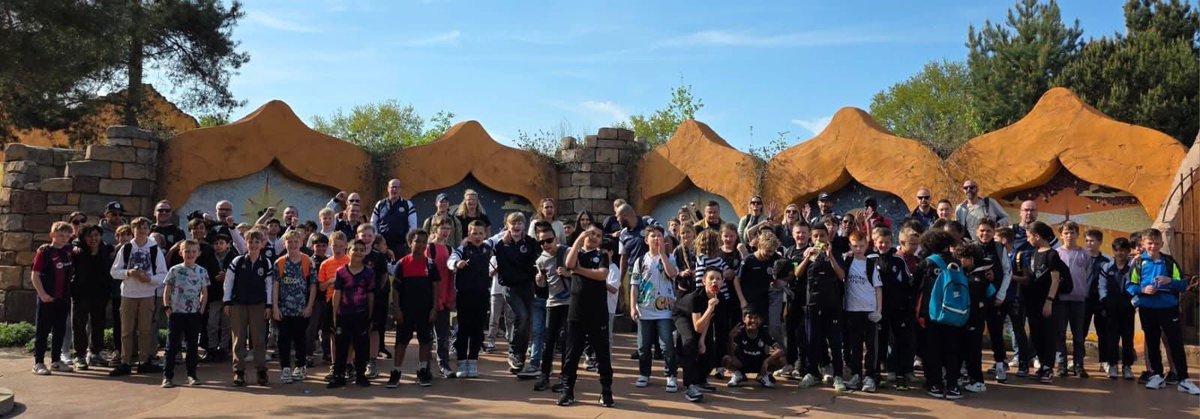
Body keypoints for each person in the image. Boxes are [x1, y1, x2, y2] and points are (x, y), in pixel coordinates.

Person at [1127, 228, 1199, 394]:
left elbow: (1182, 284)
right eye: (1150, 243)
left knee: (1175, 342)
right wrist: (1143, 290)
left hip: (1168, 307)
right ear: (1144, 244)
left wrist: (1170, 281)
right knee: (1152, 342)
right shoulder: (1138, 263)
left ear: (1161, 243)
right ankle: (1157, 375)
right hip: (1147, 308)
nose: (1153, 246)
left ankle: (1183, 378)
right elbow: (1130, 286)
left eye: (1156, 243)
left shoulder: (1169, 262)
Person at [557, 226, 614, 407]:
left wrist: (579, 271)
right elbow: (569, 264)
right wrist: (578, 240)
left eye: (598, 236)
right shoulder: (577, 253)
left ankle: (606, 392)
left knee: (602, 354)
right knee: (571, 354)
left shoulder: (602, 255)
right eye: (592, 234)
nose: (595, 238)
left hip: (598, 313)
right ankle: (567, 391)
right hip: (577, 312)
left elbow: (602, 274)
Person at [108, 217, 168, 377]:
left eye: (144, 227)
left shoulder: (154, 248)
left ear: (148, 230)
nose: (141, 230)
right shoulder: (126, 248)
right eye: (138, 228)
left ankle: (144, 361)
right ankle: (125, 361)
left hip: (147, 294)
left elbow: (163, 274)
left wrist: (150, 279)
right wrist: (128, 273)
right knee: (127, 330)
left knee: (145, 330)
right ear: (133, 230)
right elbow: (114, 272)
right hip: (128, 294)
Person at [915, 230, 965, 399]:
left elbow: (917, 288)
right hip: (954, 313)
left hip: (932, 314)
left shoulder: (927, 263)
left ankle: (935, 384)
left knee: (932, 350)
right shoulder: (957, 263)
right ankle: (952, 385)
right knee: (952, 350)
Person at [796, 223, 847, 391]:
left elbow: (842, 276)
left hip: (832, 305)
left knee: (835, 341)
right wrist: (806, 257)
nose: (819, 239)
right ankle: (811, 373)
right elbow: (797, 274)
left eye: (822, 236)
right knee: (812, 340)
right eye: (816, 236)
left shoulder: (836, 254)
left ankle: (838, 375)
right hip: (812, 305)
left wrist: (830, 256)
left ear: (828, 237)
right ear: (811, 238)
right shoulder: (807, 254)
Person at [630, 225, 679, 392]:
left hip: (664, 309)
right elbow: (634, 285)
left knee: (666, 345)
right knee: (643, 346)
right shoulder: (640, 261)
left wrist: (663, 255)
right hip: (645, 308)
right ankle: (644, 374)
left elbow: (672, 274)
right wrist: (632, 307)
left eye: (659, 236)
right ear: (646, 240)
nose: (656, 239)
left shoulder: (670, 258)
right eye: (653, 236)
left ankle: (671, 375)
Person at [387, 229, 439, 388]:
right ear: (410, 243)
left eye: (424, 242)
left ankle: (423, 371)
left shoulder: (431, 264)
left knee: (425, 341)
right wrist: (396, 309)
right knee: (401, 342)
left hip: (425, 310)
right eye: (418, 241)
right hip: (405, 310)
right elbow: (395, 289)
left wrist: (434, 309)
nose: (421, 244)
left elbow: (435, 288)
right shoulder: (402, 264)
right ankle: (396, 371)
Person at [490, 213, 540, 375]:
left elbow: (534, 262)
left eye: (519, 223)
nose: (516, 226)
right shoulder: (501, 245)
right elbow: (504, 267)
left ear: (524, 225)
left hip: (527, 286)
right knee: (522, 316)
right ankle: (514, 351)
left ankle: (520, 355)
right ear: (507, 225)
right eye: (513, 223)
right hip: (510, 287)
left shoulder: (531, 243)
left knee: (527, 319)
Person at [223, 229, 274, 387]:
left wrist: (268, 305)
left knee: (258, 339)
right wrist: (227, 301)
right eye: (250, 242)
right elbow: (228, 282)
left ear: (262, 244)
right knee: (238, 338)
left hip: (258, 304)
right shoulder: (238, 261)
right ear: (246, 243)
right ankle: (238, 372)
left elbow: (269, 286)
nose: (253, 245)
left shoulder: (266, 262)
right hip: (238, 303)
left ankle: (261, 371)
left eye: (256, 242)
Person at [871, 228, 916, 390]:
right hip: (877, 310)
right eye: (880, 242)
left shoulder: (898, 260)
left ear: (892, 243)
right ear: (875, 243)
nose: (883, 245)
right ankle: (875, 375)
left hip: (898, 309)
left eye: (887, 242)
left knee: (899, 341)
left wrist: (907, 306)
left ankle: (900, 375)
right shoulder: (871, 260)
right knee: (878, 343)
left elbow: (908, 284)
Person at [328, 239, 376, 389]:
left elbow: (370, 295)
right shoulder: (341, 272)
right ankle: (339, 375)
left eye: (362, 250)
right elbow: (337, 294)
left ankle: (360, 375)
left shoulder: (369, 273)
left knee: (361, 346)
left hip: (361, 314)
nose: (359, 252)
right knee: (341, 345)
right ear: (349, 251)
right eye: (355, 249)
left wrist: (370, 314)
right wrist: (335, 314)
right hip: (344, 314)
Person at [160, 240, 209, 388]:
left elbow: (204, 292)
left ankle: (192, 375)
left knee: (192, 346)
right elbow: (167, 289)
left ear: (198, 253)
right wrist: (166, 306)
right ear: (181, 253)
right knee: (172, 346)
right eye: (187, 251)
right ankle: (167, 376)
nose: (190, 254)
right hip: (176, 312)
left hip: (193, 313)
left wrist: (201, 308)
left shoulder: (202, 271)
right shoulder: (174, 270)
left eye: (194, 251)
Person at [841, 231, 884, 393]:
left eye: (861, 245)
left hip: (869, 310)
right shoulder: (847, 260)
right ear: (850, 245)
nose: (858, 249)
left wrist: (879, 310)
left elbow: (878, 288)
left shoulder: (871, 264)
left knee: (871, 347)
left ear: (867, 245)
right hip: (852, 310)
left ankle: (870, 377)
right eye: (855, 245)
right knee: (855, 346)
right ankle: (856, 375)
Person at [449, 221, 493, 378]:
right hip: (464, 295)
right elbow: (451, 259)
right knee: (463, 329)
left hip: (482, 295)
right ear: (469, 234)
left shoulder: (488, 248)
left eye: (481, 233)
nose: (478, 236)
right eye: (474, 233)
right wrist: (457, 263)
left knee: (477, 329)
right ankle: (461, 361)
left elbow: (501, 237)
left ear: (485, 234)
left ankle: (473, 361)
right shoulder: (463, 249)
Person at [273, 230, 318, 384]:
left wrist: (309, 306)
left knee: (300, 338)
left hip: (301, 309)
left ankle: (300, 366)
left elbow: (312, 286)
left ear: (301, 243)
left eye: (295, 241)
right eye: (289, 242)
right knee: (283, 339)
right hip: (284, 309)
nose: (292, 245)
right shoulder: (279, 263)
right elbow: (275, 286)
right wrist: (275, 308)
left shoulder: (307, 261)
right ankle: (285, 367)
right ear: (284, 243)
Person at [31, 222, 75, 376]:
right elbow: (35, 275)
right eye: (60, 235)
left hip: (63, 298)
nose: (63, 238)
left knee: (60, 330)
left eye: (66, 236)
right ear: (52, 235)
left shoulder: (69, 250)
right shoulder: (44, 252)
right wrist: (42, 294)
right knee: (42, 331)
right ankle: (38, 362)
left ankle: (56, 361)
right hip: (47, 298)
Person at [1025, 222, 1067, 384]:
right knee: (1036, 334)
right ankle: (1042, 364)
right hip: (1033, 302)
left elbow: (1055, 279)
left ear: (1037, 236)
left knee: (1048, 334)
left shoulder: (1052, 255)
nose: (1028, 239)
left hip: (1047, 302)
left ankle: (1048, 367)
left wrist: (1049, 301)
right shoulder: (1034, 253)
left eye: (1029, 236)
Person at [973, 220, 1013, 384]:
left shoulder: (999, 248)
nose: (985, 234)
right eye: (982, 230)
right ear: (977, 232)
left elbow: (1007, 271)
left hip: (995, 299)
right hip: (976, 298)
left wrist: (1001, 294)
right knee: (975, 333)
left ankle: (1000, 366)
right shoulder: (972, 248)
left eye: (989, 231)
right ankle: (973, 367)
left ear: (993, 232)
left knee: (996, 333)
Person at [674, 270, 723, 403]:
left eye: (718, 279)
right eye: (711, 278)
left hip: (701, 319)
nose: (715, 281)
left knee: (710, 347)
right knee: (690, 342)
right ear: (703, 281)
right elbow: (697, 327)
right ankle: (689, 386)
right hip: (682, 316)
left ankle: (701, 380)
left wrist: (702, 340)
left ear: (722, 282)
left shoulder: (718, 297)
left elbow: (708, 321)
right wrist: (709, 308)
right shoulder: (695, 298)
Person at [70, 225, 112, 371]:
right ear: (83, 238)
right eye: (89, 236)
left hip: (101, 293)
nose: (93, 239)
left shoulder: (106, 249)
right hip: (81, 293)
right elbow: (69, 245)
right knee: (79, 324)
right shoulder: (77, 250)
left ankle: (96, 353)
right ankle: (79, 355)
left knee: (98, 323)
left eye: (96, 235)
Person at [534, 225, 571, 392]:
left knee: (566, 340)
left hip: (570, 302)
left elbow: (580, 273)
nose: (546, 244)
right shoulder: (541, 260)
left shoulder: (567, 252)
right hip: (553, 302)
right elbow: (542, 286)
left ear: (556, 238)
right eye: (542, 242)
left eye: (549, 240)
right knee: (549, 341)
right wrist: (539, 280)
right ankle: (544, 374)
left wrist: (567, 273)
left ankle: (565, 376)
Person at [957, 242, 997, 394]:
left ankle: (978, 381)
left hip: (974, 319)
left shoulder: (976, 278)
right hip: (973, 319)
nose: (960, 261)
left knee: (973, 351)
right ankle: (969, 377)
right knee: (968, 350)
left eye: (963, 258)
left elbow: (976, 300)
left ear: (971, 259)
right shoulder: (976, 273)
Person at [774, 222, 810, 380]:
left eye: (803, 232)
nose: (800, 235)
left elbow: (798, 273)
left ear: (808, 234)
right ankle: (789, 363)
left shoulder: (811, 251)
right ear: (793, 234)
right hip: (790, 298)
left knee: (802, 333)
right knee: (789, 331)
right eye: (798, 232)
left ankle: (801, 367)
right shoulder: (789, 251)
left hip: (806, 299)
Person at [1054, 221, 1090, 378]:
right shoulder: (1057, 254)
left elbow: (1087, 273)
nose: (1069, 236)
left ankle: (1078, 364)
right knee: (1060, 332)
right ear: (1061, 235)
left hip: (1079, 299)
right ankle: (1061, 364)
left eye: (1072, 232)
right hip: (1061, 299)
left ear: (1077, 234)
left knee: (1078, 334)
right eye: (1066, 233)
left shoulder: (1084, 254)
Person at [1098, 237, 1135, 380]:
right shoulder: (1107, 267)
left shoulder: (1133, 268)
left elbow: (1137, 286)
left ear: (1128, 251)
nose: (1119, 253)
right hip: (1111, 308)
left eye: (1123, 250)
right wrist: (1105, 300)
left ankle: (1127, 367)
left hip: (1127, 308)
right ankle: (1112, 365)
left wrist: (1132, 302)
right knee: (1111, 339)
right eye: (1116, 250)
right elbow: (1101, 286)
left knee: (1127, 339)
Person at [317, 232, 351, 380]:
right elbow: (321, 287)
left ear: (345, 246)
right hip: (331, 302)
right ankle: (335, 364)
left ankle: (349, 364)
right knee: (333, 335)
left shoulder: (350, 261)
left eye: (340, 246)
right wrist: (332, 281)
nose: (337, 249)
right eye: (334, 246)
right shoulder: (326, 263)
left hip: (349, 302)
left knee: (349, 335)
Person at [427, 217, 457, 378]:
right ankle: (424, 367)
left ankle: (443, 364)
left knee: (443, 334)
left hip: (445, 297)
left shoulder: (451, 250)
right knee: (426, 334)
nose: (445, 231)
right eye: (442, 228)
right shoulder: (429, 248)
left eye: (448, 228)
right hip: (429, 298)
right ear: (435, 229)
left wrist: (451, 295)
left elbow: (451, 276)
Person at [723, 309, 784, 388]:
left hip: (759, 364)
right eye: (750, 317)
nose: (753, 320)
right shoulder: (739, 331)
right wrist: (731, 337)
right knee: (726, 359)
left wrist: (766, 361)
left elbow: (781, 349)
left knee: (782, 360)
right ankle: (738, 375)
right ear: (744, 319)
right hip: (742, 363)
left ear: (761, 320)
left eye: (756, 318)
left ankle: (763, 376)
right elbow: (731, 354)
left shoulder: (763, 332)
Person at [734, 231, 780, 329]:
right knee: (749, 328)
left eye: (772, 251)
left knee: (763, 329)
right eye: (767, 251)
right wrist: (742, 300)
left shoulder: (773, 258)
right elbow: (736, 280)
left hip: (764, 301)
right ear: (759, 246)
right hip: (749, 302)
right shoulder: (748, 260)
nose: (770, 254)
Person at [1083, 229, 1112, 377]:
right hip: (1084, 300)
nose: (1089, 243)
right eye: (1087, 240)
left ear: (1100, 242)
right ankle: (1078, 360)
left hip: (1100, 302)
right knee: (1081, 332)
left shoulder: (1107, 261)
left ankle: (1104, 361)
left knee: (1104, 333)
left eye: (1092, 241)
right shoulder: (1081, 257)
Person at [206, 233, 237, 362]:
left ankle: (223, 348)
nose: (218, 246)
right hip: (213, 295)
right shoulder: (208, 257)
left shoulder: (234, 257)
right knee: (212, 323)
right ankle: (212, 347)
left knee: (227, 324)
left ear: (228, 245)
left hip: (228, 296)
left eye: (221, 243)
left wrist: (227, 276)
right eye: (216, 243)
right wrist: (215, 277)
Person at [371, 179, 418, 257]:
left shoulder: (408, 205)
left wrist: (409, 243)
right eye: (392, 187)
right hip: (382, 247)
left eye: (397, 187)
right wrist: (377, 240)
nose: (394, 190)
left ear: (400, 190)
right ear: (388, 189)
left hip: (401, 246)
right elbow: (373, 223)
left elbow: (413, 226)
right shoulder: (380, 204)